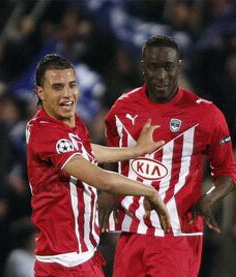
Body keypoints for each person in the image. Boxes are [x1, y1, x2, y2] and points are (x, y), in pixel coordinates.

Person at [101, 34, 236, 277]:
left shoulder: (206, 114)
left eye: (168, 67)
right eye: (154, 67)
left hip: (177, 235)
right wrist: (108, 193)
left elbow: (227, 172)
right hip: (132, 232)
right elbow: (113, 159)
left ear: (179, 67)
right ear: (143, 68)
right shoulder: (121, 109)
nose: (161, 75)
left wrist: (209, 198)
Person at [26, 54, 171, 277]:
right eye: (57, 87)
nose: (67, 94)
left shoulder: (71, 124)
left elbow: (86, 150)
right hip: (63, 266)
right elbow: (101, 179)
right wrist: (149, 191)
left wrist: (135, 151)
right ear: (40, 92)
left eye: (71, 85)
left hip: (85, 259)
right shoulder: (43, 131)